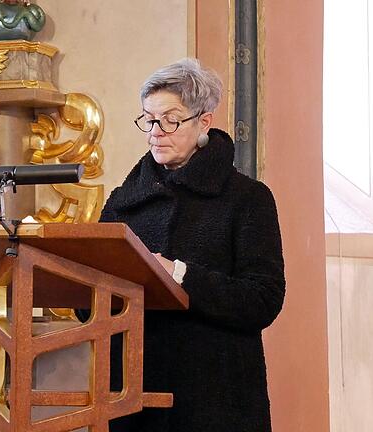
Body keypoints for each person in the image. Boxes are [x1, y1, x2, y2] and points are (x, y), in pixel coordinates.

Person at [102, 58, 285, 431]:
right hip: (136, 397)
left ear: (204, 121)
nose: (156, 131)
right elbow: (92, 294)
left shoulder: (247, 198)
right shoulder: (125, 199)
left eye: (170, 119)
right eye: (148, 120)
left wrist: (179, 274)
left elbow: (263, 299)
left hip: (216, 395)